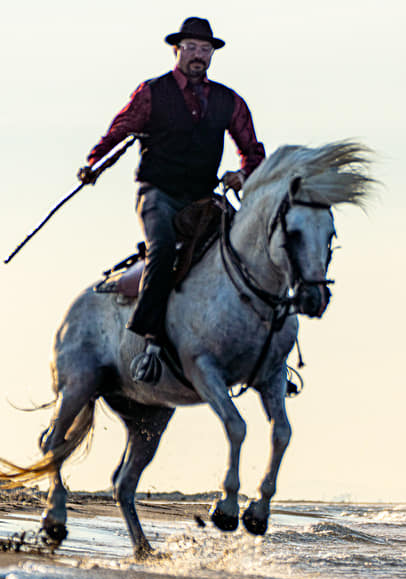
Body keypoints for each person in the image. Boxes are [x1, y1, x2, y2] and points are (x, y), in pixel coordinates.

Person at [79, 17, 266, 385]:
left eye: (206, 49)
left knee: (254, 246)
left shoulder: (229, 101)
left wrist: (243, 176)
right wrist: (93, 164)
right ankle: (149, 344)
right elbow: (119, 132)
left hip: (202, 199)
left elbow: (254, 153)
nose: (199, 55)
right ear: (177, 50)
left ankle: (267, 350)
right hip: (158, 194)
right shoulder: (152, 92)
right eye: (193, 48)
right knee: (163, 250)